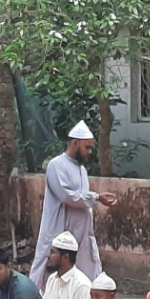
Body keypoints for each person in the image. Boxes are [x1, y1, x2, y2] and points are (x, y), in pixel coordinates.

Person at [32, 120, 115, 282]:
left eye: (91, 148)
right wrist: (97, 197)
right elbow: (67, 196)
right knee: (49, 271)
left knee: (86, 272)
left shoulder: (82, 170)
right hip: (59, 228)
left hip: (81, 233)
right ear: (75, 143)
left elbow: (81, 198)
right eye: (87, 147)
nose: (89, 152)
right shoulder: (56, 165)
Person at [36, 231, 95, 299]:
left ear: (65, 257)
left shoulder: (81, 285)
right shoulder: (52, 279)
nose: (48, 256)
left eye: (53, 252)